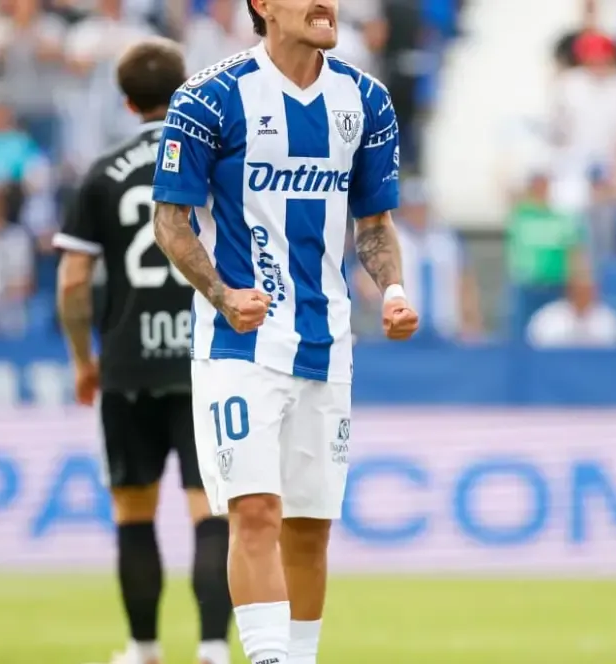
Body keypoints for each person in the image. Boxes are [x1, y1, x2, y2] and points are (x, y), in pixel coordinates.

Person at [149, 1, 418, 663]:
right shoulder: (209, 98)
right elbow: (170, 221)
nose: (327, 3)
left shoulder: (367, 101)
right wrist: (221, 293)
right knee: (255, 513)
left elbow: (374, 225)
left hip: (327, 343)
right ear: (263, 5)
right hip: (239, 344)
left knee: (308, 529)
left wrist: (392, 292)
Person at [53, 38, 233, 664]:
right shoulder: (216, 161)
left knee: (133, 511)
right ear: (184, 90)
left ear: (126, 101)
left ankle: (143, 647)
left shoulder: (101, 172)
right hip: (206, 360)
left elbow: (73, 283)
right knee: (211, 510)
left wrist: (84, 360)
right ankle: (213, 647)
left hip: (127, 362)